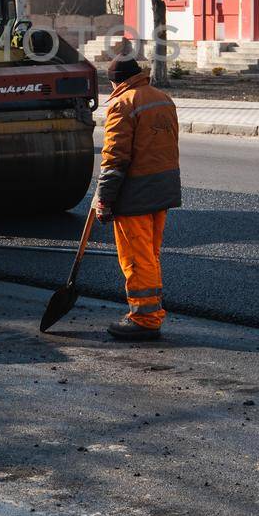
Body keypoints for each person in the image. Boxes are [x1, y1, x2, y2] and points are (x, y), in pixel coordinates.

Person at [95, 53, 182, 342]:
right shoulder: (162, 98)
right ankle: (152, 312)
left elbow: (114, 158)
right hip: (162, 189)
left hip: (135, 193)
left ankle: (144, 318)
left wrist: (104, 199)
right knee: (150, 254)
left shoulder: (122, 104)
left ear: (115, 81)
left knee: (135, 257)